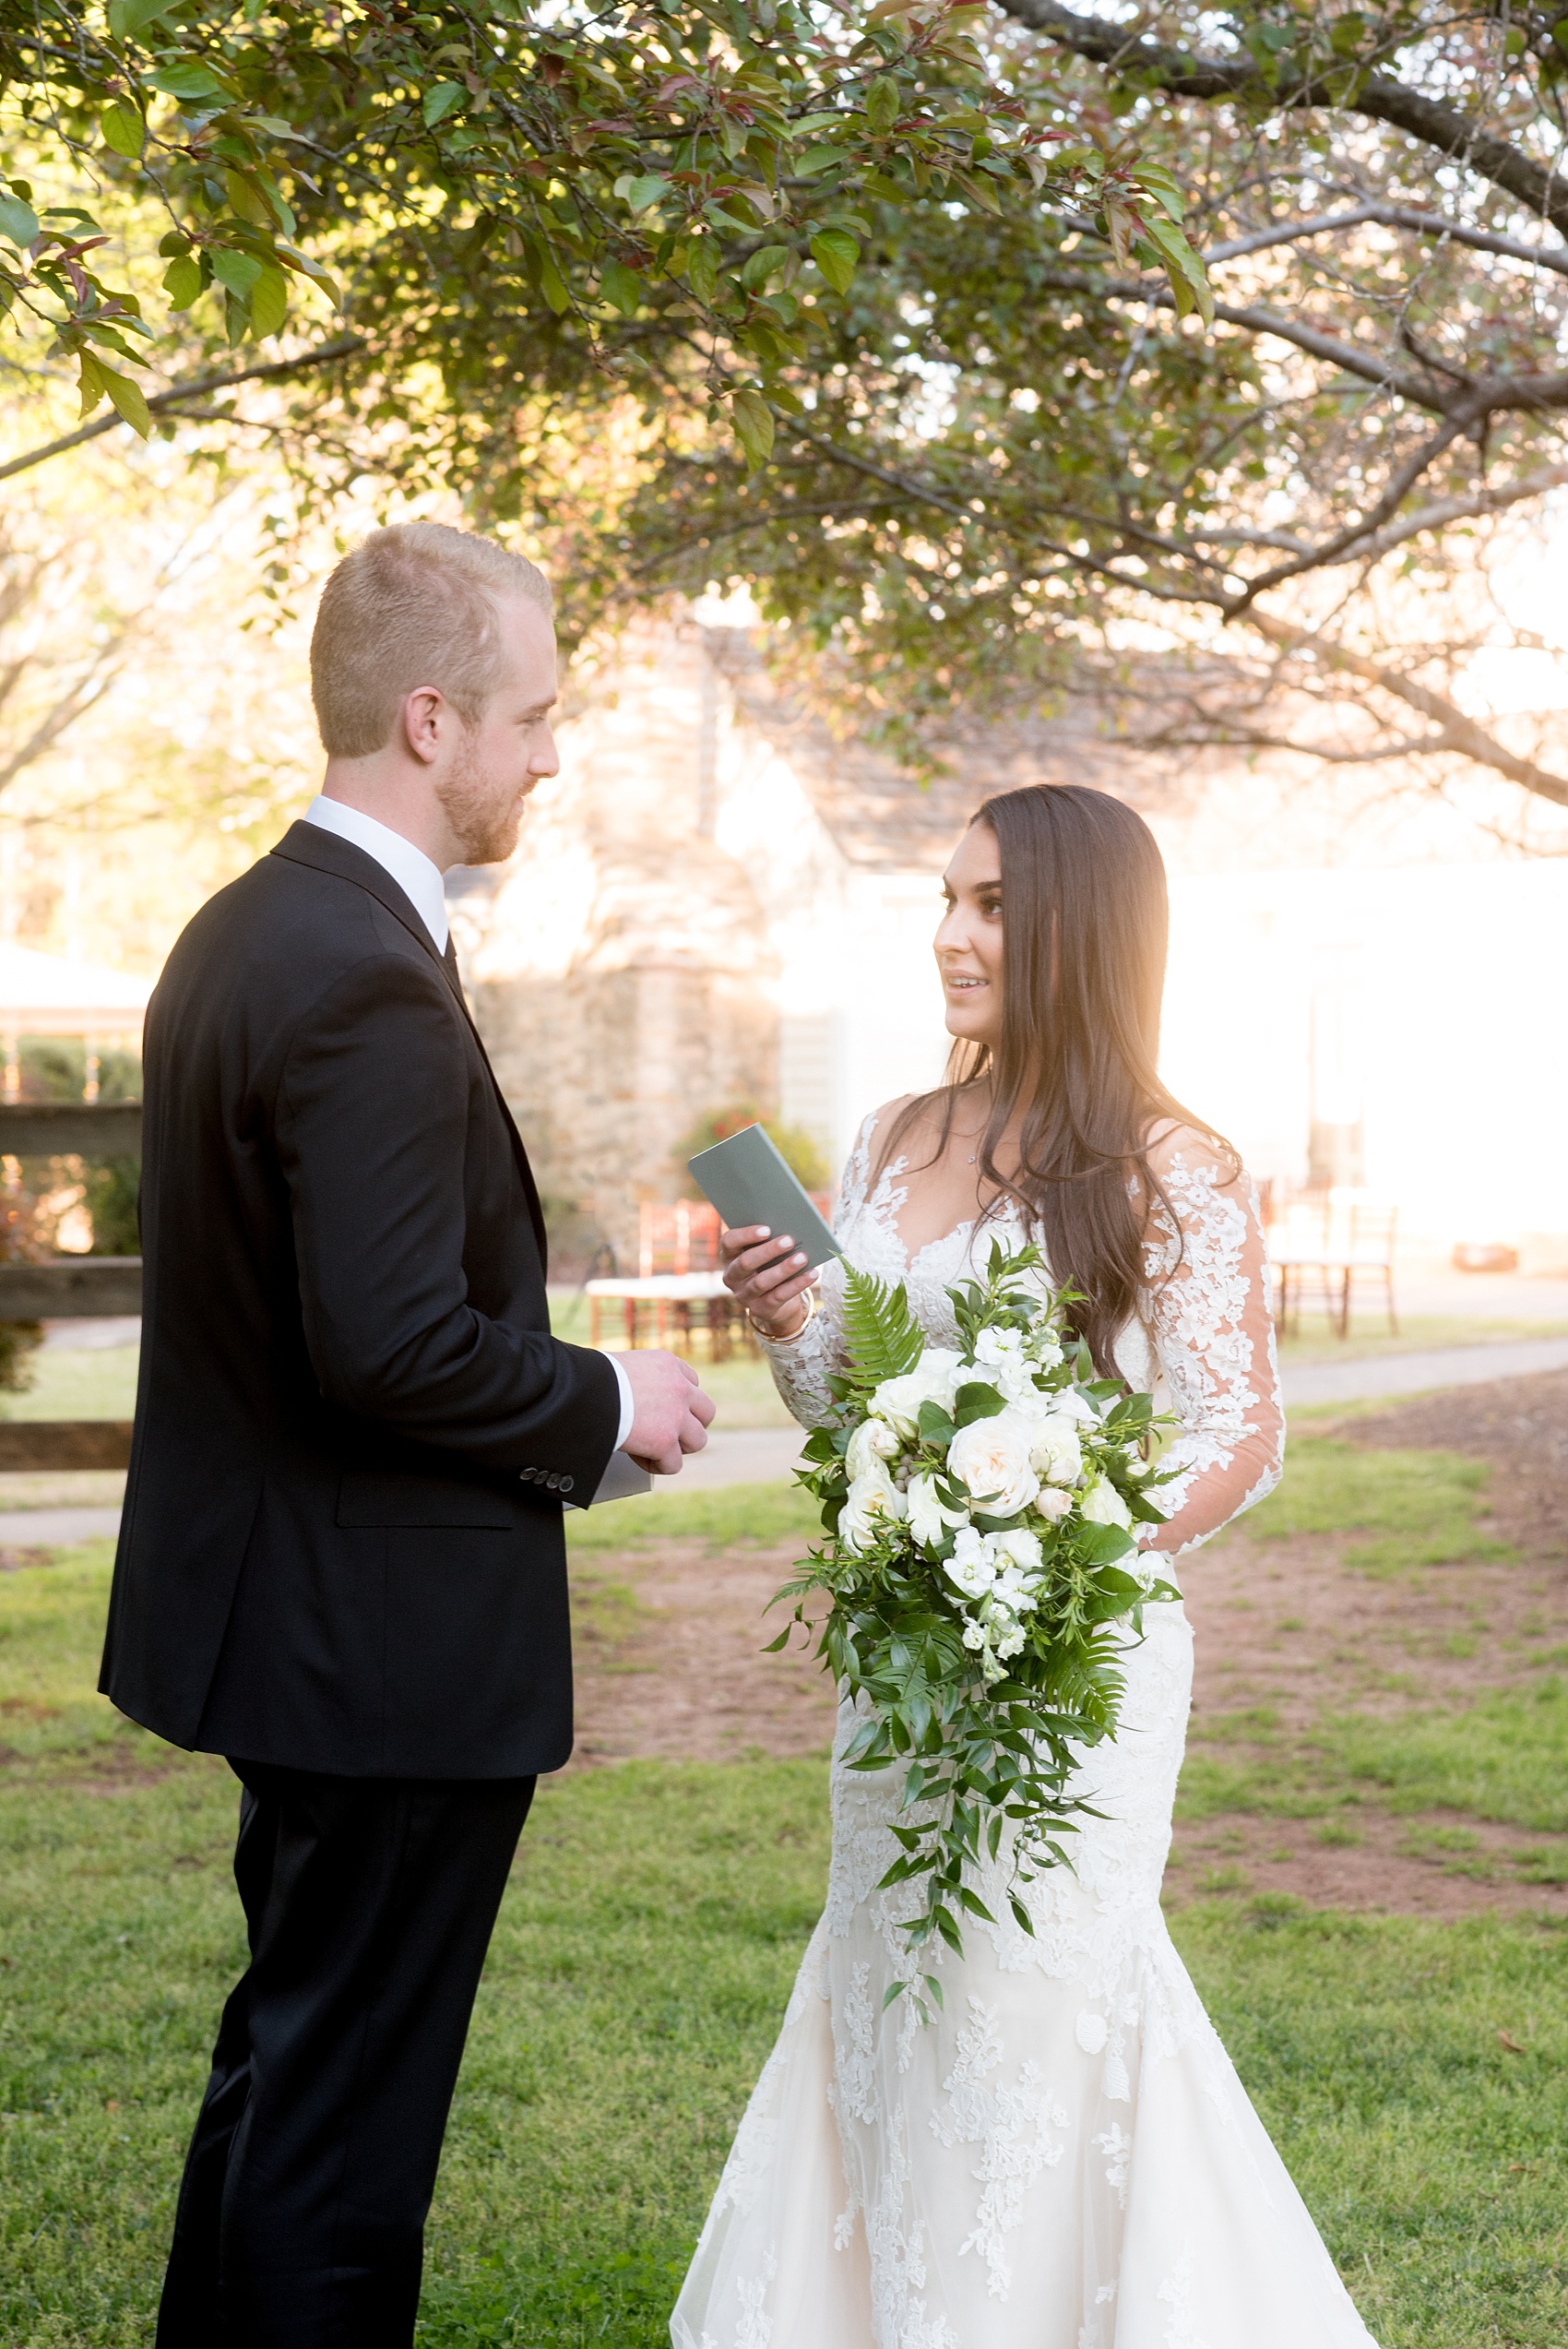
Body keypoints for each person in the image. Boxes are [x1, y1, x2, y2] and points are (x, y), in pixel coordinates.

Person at [99, 522, 714, 2348]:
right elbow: (384, 1345)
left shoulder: (244, 926)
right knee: (348, 2147)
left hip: (288, 1631)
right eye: (532, 717)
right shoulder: (360, 966)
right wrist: (610, 1398)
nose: (550, 753)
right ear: (429, 718)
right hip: (377, 1656)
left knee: (285, 2074)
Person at [676, 784, 1376, 2348]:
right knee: (890, 1986)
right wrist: (794, 1323)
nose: (949, 935)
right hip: (904, 1661)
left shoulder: (1169, 1163)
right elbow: (853, 1404)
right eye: (944, 899)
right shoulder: (892, 1133)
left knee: (1036, 2010)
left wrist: (1069, 1541)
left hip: (1075, 1665)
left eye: (988, 904)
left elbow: (1239, 1428)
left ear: (1080, 926)